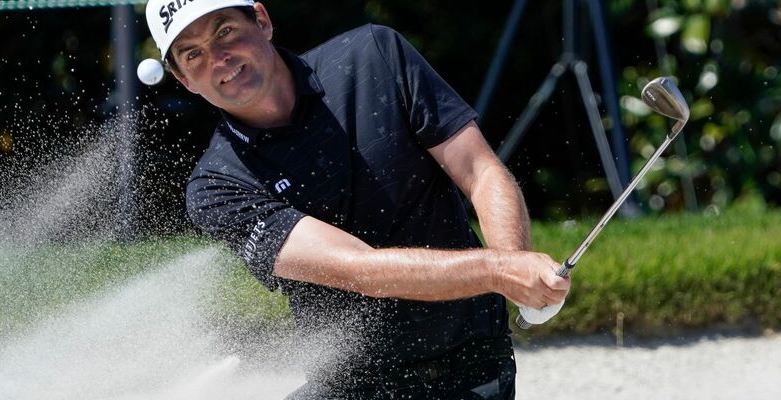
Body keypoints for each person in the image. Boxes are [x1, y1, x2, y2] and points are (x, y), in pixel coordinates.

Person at [145, 0, 571, 398]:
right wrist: (499, 271)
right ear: (185, 80)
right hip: (357, 384)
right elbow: (360, 268)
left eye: (224, 31)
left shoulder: (373, 55)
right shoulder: (217, 185)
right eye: (192, 54)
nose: (218, 57)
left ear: (261, 20)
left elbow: (479, 171)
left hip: (474, 361)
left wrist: (514, 264)